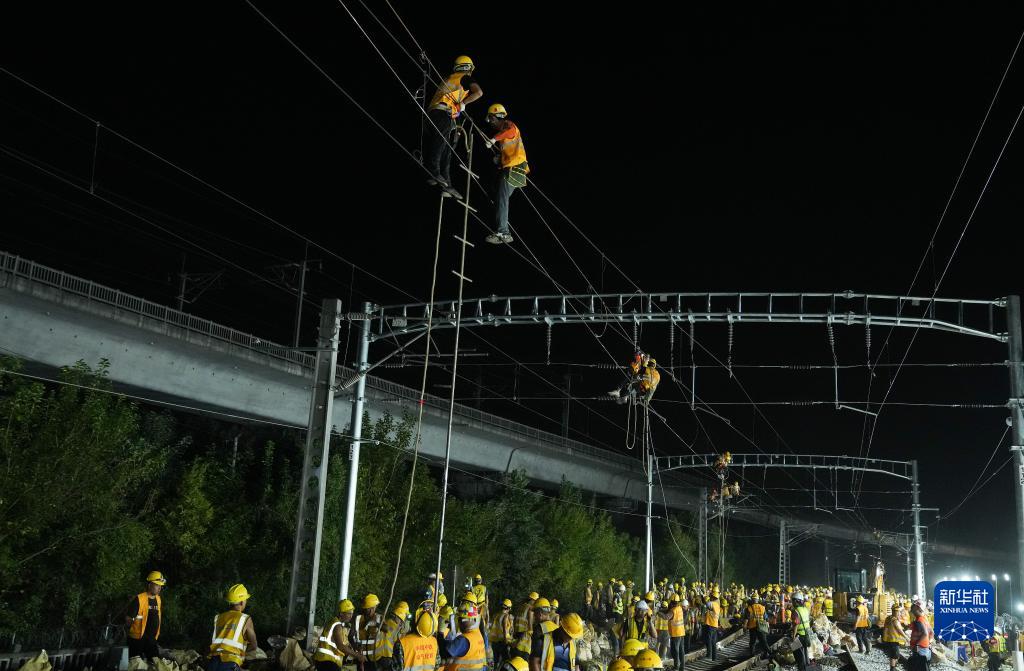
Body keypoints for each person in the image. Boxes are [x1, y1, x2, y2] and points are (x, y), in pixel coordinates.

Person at [425, 56, 482, 199]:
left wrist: (458, 108)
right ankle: (433, 171)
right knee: (441, 141)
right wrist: (463, 104)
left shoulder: (450, 78)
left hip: (438, 113)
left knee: (447, 148)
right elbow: (478, 93)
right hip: (442, 112)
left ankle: (447, 185)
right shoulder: (464, 78)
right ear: (467, 67)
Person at [483, 104, 529, 245]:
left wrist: (493, 139)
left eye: (491, 119)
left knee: (502, 197)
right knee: (496, 192)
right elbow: (508, 150)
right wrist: (499, 158)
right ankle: (502, 226)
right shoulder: (503, 134)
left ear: (496, 117)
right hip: (510, 167)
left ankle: (504, 232)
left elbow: (511, 131)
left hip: (515, 168)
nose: (490, 123)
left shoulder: (508, 126)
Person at [208, 584, 259, 671]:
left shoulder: (218, 618)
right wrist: (242, 655)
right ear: (242, 602)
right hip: (230, 664)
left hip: (212, 663)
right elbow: (254, 645)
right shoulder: (245, 619)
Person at [125, 571, 166, 661]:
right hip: (137, 640)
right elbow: (128, 619)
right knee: (135, 665)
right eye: (157, 585)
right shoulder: (139, 598)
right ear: (149, 585)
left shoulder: (158, 599)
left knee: (155, 663)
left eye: (160, 585)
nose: (159, 588)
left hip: (151, 640)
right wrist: (133, 629)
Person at [316, 599, 364, 671]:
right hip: (328, 662)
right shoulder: (337, 625)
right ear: (341, 613)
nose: (351, 616)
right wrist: (357, 655)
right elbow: (341, 646)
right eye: (349, 613)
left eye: (352, 613)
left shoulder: (333, 622)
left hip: (322, 660)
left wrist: (354, 649)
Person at [443, 600, 489, 671]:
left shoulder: (463, 640)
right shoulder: (478, 634)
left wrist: (439, 635)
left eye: (462, 620)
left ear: (473, 620)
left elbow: (444, 653)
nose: (460, 623)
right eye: (459, 619)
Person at [373, 602, 410, 668]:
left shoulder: (389, 622)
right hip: (386, 656)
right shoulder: (392, 625)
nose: (402, 622)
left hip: (381, 656)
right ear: (397, 616)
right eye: (401, 620)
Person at [353, 594, 383, 671]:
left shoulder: (379, 618)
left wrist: (376, 624)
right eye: (368, 608)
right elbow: (350, 636)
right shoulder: (358, 619)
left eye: (373, 608)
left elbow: (387, 629)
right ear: (364, 608)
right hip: (361, 659)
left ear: (376, 607)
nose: (370, 610)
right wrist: (356, 648)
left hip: (375, 659)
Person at [880, 607, 908, 671]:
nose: (899, 613)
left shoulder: (888, 618)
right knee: (895, 654)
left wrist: (884, 638)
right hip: (894, 640)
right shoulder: (894, 620)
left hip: (889, 639)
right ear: (894, 611)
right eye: (897, 612)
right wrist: (906, 638)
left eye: (899, 612)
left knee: (893, 653)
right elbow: (899, 630)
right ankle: (892, 668)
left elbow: (886, 628)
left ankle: (893, 666)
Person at [790, 593, 813, 671]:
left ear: (796, 601)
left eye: (793, 601)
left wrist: (793, 636)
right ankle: (807, 665)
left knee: (798, 654)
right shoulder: (805, 609)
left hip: (799, 635)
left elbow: (796, 624)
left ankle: (802, 669)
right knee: (805, 651)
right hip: (806, 633)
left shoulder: (795, 611)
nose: (792, 602)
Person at [907, 604, 932, 671]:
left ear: (918, 609)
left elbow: (925, 634)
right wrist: (929, 642)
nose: (912, 611)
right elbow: (931, 632)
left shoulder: (919, 620)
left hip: (920, 649)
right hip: (925, 648)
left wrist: (917, 645)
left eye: (913, 609)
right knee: (923, 667)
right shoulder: (924, 619)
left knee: (918, 668)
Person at [490, 599, 515, 669]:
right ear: (509, 608)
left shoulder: (496, 615)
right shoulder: (506, 616)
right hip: (502, 641)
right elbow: (506, 629)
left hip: (494, 641)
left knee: (496, 661)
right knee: (507, 660)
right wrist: (506, 641)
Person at [745, 593, 768, 660]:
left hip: (752, 627)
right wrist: (767, 626)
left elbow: (747, 618)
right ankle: (767, 653)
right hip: (761, 626)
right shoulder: (762, 607)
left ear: (752, 599)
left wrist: (745, 626)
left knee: (752, 642)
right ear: (758, 600)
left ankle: (752, 655)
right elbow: (766, 618)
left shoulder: (749, 608)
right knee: (763, 641)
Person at [668, 594, 686, 670]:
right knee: (681, 650)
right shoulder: (680, 608)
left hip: (675, 633)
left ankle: (676, 666)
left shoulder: (672, 611)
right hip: (681, 632)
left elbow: (666, 617)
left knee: (675, 651)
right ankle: (682, 666)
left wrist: (659, 612)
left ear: (672, 602)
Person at [703, 590, 721, 661]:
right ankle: (714, 657)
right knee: (713, 641)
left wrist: (704, 598)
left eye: (711, 596)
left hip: (710, 624)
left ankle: (709, 655)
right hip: (715, 625)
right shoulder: (717, 605)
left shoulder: (712, 603)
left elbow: (706, 604)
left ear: (713, 597)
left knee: (709, 640)